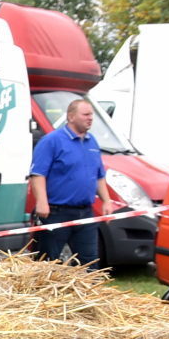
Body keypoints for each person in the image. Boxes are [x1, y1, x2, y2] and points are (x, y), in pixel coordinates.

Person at [28, 97, 116, 266]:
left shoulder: (92, 142)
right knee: (47, 262)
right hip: (56, 213)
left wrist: (106, 201)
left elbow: (99, 175)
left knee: (89, 262)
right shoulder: (52, 141)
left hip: (85, 213)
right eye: (85, 114)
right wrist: (42, 202)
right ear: (71, 117)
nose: (90, 118)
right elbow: (38, 174)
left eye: (91, 114)